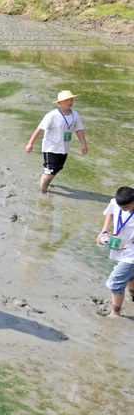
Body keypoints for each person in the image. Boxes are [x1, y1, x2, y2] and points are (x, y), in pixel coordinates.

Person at [24, 90, 88, 193]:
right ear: (59, 103)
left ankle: (46, 181)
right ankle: (43, 191)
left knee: (57, 168)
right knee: (50, 171)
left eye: (71, 99)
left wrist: (84, 145)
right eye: (66, 100)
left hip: (64, 148)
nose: (70, 102)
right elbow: (39, 129)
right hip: (51, 148)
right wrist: (30, 143)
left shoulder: (75, 115)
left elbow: (79, 130)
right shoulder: (52, 115)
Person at [96, 186, 134, 317]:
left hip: (132, 252)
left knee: (115, 281)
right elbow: (111, 212)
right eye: (121, 207)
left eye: (126, 208)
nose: (124, 210)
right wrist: (104, 231)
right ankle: (133, 296)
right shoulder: (115, 203)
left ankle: (115, 313)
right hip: (121, 246)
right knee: (130, 275)